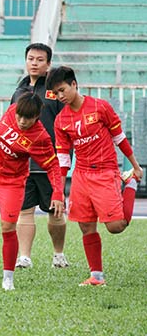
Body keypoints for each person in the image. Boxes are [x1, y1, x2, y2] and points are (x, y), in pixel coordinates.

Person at [47, 66, 143, 286]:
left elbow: (119, 138)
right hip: (81, 175)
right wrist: (58, 192)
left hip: (106, 171)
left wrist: (135, 167)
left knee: (116, 226)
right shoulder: (61, 120)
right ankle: (96, 277)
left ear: (74, 84)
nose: (60, 96)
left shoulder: (100, 107)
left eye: (62, 90)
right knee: (86, 225)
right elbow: (62, 159)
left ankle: (129, 185)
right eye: (56, 93)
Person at [0, 92, 64, 291]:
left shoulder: (40, 138)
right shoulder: (10, 111)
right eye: (19, 116)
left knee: (7, 227)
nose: (22, 121)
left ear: (37, 117)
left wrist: (58, 193)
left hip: (11, 182)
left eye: (28, 118)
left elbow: (53, 167)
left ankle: (8, 278)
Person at [10, 43, 69, 269]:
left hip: (50, 162)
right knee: (25, 210)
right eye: (31, 59)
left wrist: (63, 156)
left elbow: (66, 123)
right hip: (23, 163)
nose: (34, 63)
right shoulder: (19, 90)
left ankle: (58, 254)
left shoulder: (56, 90)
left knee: (54, 210)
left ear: (48, 64)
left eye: (40, 60)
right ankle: (24, 257)